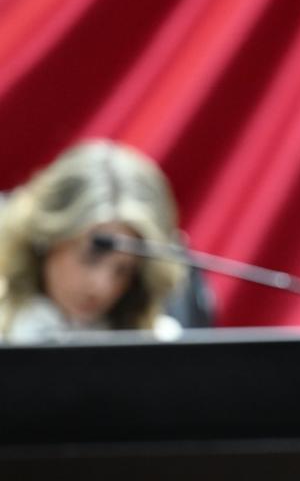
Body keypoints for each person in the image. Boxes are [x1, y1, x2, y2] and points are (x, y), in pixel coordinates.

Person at [0, 140, 184, 342]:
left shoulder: (159, 340)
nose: (101, 287)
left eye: (123, 270)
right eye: (90, 258)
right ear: (46, 238)